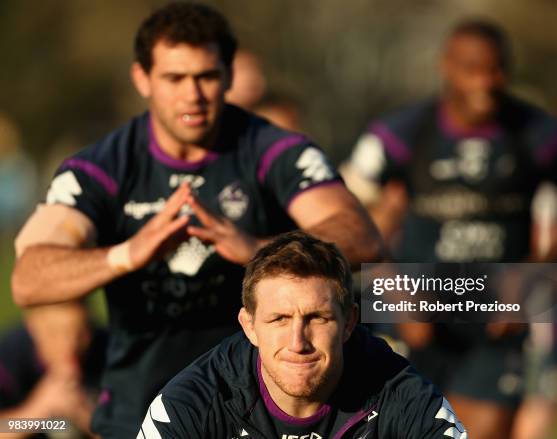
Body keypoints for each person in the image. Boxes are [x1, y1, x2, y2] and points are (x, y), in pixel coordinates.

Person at [10, 3, 383, 437]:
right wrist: (126, 253)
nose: (193, 95)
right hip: (139, 409)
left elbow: (362, 238)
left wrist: (257, 249)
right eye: (174, 78)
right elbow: (29, 278)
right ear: (142, 79)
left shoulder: (274, 151)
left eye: (206, 76)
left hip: (254, 409)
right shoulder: (102, 168)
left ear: (228, 75)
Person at [342, 19, 557, 439]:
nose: (487, 81)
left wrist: (531, 273)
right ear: (446, 67)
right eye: (473, 69)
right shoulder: (401, 133)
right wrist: (391, 286)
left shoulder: (539, 133)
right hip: (417, 311)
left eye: (497, 69)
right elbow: (341, 214)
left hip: (496, 313)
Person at [138, 231, 467, 438]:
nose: (298, 342)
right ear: (249, 326)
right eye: (279, 319)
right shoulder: (196, 400)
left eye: (317, 318)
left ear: (350, 322)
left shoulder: (397, 389)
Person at [0, 301, 107, 438]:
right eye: (55, 333)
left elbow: (130, 431)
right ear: (32, 326)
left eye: (80, 334)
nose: (69, 347)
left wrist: (86, 417)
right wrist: (37, 411)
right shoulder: (9, 357)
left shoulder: (110, 352)